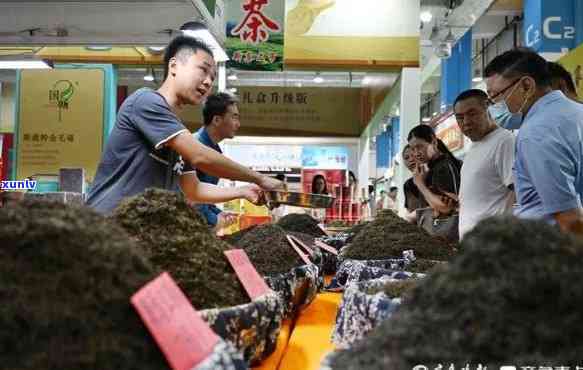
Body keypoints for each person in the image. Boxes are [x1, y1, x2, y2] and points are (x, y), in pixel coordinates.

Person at [86, 36, 282, 214]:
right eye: (203, 70)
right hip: (108, 228)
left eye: (212, 77)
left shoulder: (176, 131)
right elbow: (200, 156)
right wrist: (259, 178)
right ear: (174, 66)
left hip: (137, 233)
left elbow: (193, 189)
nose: (207, 82)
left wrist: (241, 191)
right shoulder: (145, 101)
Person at [484, 47, 583, 234]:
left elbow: (568, 218)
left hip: (553, 251)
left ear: (527, 86)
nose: (495, 106)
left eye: (496, 96)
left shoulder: (536, 133)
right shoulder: (576, 113)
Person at [453, 89, 515, 239]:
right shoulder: (473, 148)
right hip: (473, 246)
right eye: (460, 117)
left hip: (493, 244)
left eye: (472, 113)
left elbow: (518, 192)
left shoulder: (504, 141)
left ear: (488, 108)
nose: (466, 122)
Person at [193, 92, 241, 228]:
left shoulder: (214, 149)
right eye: (234, 118)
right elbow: (192, 199)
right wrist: (215, 220)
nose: (238, 124)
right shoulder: (196, 148)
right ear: (217, 120)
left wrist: (219, 213)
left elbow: (205, 198)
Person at [407, 124, 462, 241]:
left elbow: (446, 208)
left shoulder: (444, 167)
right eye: (413, 149)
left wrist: (420, 184)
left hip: (446, 239)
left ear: (433, 141)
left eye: (420, 146)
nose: (416, 153)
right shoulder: (433, 168)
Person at [401, 144, 427, 223]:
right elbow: (409, 210)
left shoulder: (433, 177)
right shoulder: (407, 185)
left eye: (413, 155)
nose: (411, 160)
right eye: (406, 158)